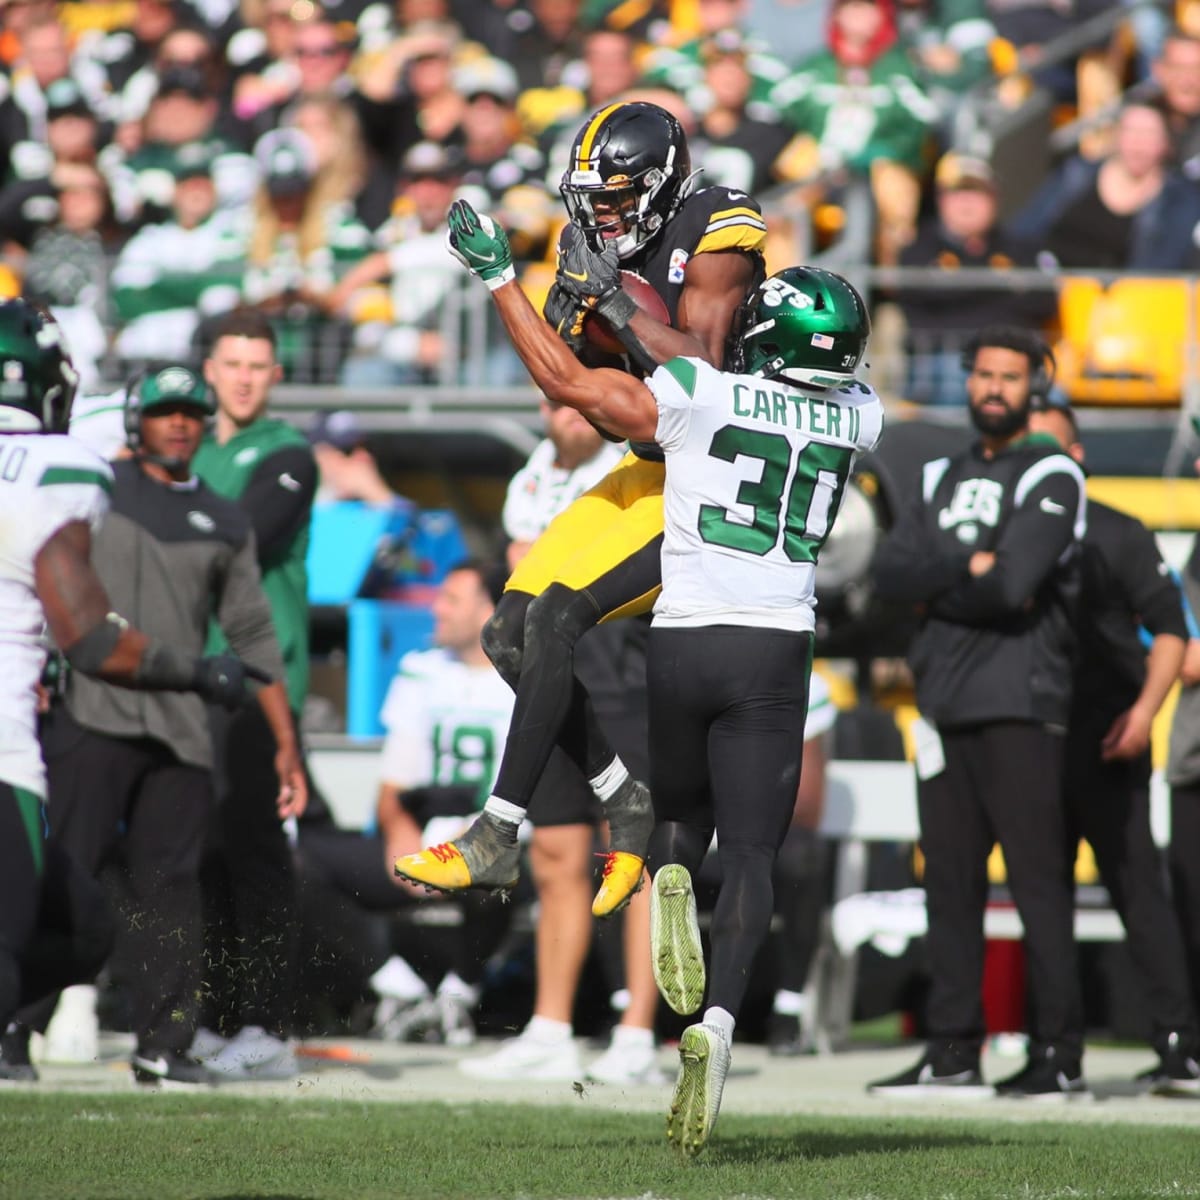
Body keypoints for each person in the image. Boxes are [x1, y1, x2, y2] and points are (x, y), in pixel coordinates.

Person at [437, 198, 881, 1152]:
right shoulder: (857, 417)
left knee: (680, 820)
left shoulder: (706, 395)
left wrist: (510, 284)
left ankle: (666, 866)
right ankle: (716, 1024)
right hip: (775, 645)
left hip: (686, 635)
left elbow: (576, 386)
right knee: (755, 858)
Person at [394, 100, 768, 920]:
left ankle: (497, 832)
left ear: (664, 184)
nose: (600, 215)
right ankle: (621, 794)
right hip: (643, 456)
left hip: (710, 476)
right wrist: (565, 308)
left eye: (616, 197)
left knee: (559, 617)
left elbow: (704, 370)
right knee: (507, 633)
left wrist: (617, 307)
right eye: (590, 197)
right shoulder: (598, 240)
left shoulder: (719, 223)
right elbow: (577, 392)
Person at [0, 332, 295, 1086]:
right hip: (90, 713)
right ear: (136, 420)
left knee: (168, 890)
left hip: (179, 723)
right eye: (163, 412)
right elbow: (71, 615)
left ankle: (162, 1044)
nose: (179, 425)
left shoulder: (225, 517)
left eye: (189, 415)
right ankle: (12, 1032)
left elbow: (255, 632)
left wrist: (282, 738)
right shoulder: (87, 482)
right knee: (58, 878)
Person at [869, 325, 1089, 1100]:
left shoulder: (1053, 471)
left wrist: (950, 581)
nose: (994, 387)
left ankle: (1059, 1055)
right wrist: (970, 561)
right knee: (950, 888)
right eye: (984, 374)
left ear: (1037, 386)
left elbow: (1017, 583)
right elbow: (888, 570)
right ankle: (954, 1049)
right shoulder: (936, 473)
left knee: (1037, 885)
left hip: (1020, 703)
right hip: (942, 703)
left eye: (1010, 376)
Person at [458, 397, 660, 1085]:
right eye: (554, 400)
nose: (568, 413)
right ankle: (551, 1026)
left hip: (625, 674)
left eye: (580, 399)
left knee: (638, 859)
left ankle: (637, 1032)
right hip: (551, 687)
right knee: (554, 850)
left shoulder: (634, 462)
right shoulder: (532, 476)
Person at [1028, 399, 1200, 1096]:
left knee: (1139, 888)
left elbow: (1172, 631)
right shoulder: (998, 529)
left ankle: (1178, 1040)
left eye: (1053, 451)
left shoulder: (1117, 531)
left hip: (1108, 736)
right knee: (1043, 895)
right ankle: (1056, 1051)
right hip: (1031, 743)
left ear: (1079, 459)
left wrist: (1140, 711)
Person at [297, 559, 518, 1048]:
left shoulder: (521, 680)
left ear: (489, 609)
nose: (436, 609)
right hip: (423, 833)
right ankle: (398, 985)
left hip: (492, 834)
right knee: (295, 857)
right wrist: (401, 834)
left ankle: (459, 992)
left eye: (451, 600)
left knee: (516, 862)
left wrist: (466, 843)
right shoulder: (422, 670)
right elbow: (393, 783)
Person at [191, 308, 318, 1081]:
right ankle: (208, 1018)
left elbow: (239, 536)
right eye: (231, 362)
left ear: (276, 375)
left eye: (257, 364)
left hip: (261, 682)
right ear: (209, 368)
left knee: (256, 854)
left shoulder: (290, 455)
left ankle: (268, 1026)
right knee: (192, 850)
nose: (243, 376)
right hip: (185, 672)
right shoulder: (187, 445)